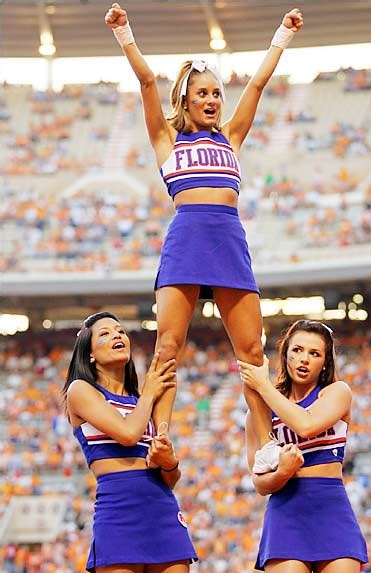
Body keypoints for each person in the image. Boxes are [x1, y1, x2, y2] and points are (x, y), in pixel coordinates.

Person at [105, 2, 303, 462]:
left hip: (229, 241)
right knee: (167, 347)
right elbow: (147, 81)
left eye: (216, 93)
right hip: (186, 241)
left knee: (252, 350)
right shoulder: (167, 142)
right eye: (203, 94)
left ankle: (266, 443)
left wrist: (282, 36)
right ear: (186, 101)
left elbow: (257, 83)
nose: (213, 100)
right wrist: (124, 33)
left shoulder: (231, 137)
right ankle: (160, 436)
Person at [63, 311, 197, 573]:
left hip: (162, 512)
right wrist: (152, 393)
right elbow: (126, 433)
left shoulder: (144, 400)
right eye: (105, 334)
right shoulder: (81, 391)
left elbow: (169, 476)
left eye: (120, 331)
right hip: (118, 514)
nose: (116, 335)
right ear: (89, 353)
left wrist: (169, 460)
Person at [238, 319, 368, 573]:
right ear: (285, 354)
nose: (304, 359)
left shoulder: (336, 392)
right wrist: (281, 473)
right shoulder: (259, 413)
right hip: (286, 515)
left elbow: (308, 425)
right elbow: (260, 481)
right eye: (297, 350)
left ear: (325, 362)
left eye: (315, 353)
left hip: (332, 512)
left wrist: (263, 386)